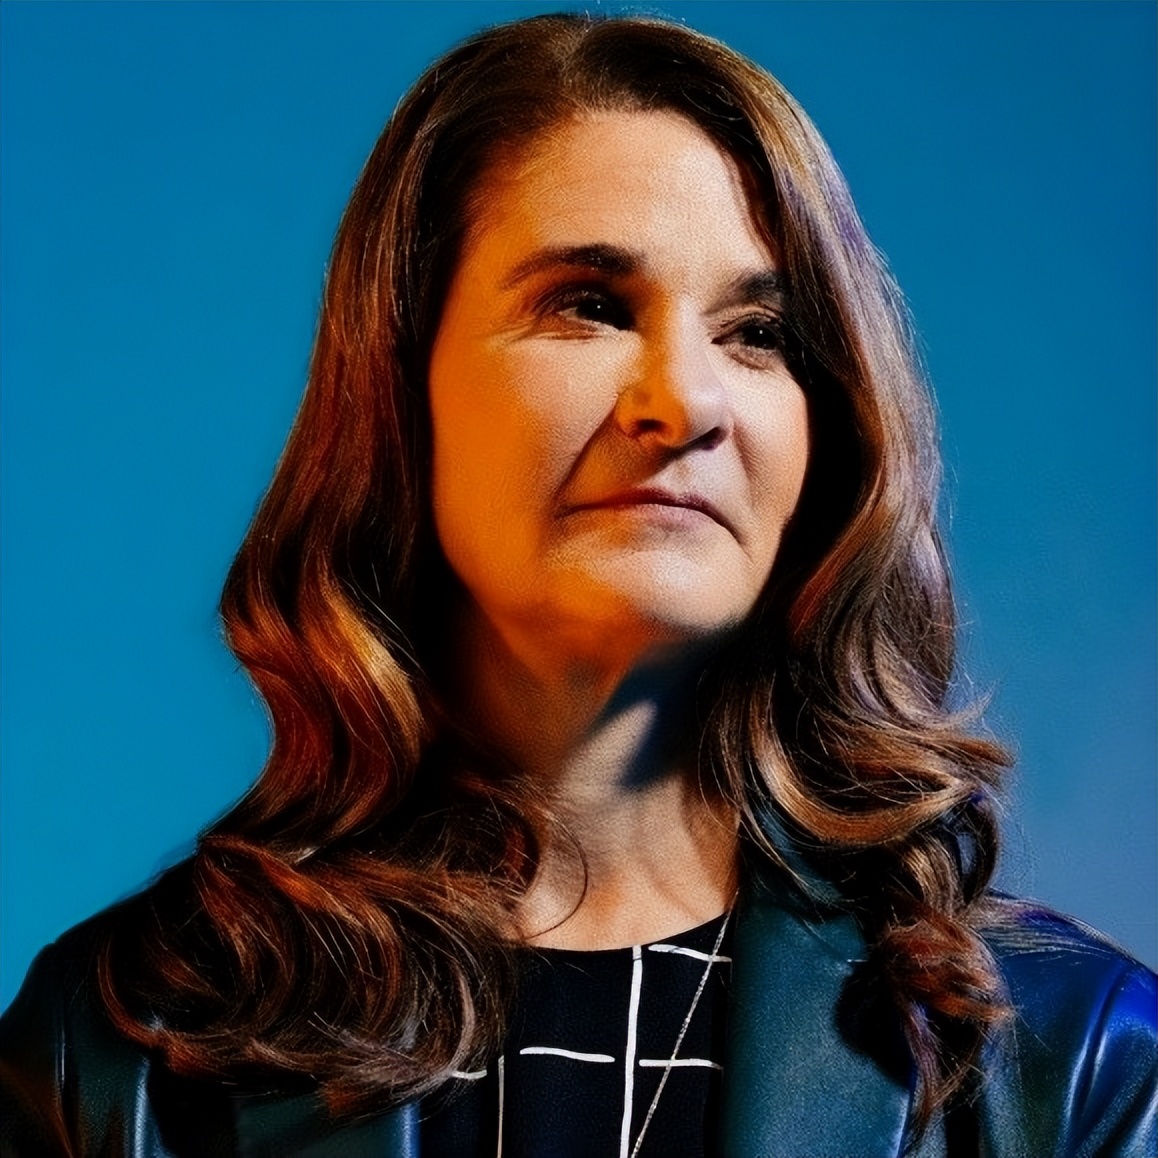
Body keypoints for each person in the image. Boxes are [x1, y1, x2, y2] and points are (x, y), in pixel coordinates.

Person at [1, 12, 1154, 1158]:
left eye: (757, 332)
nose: (685, 403)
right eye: (590, 305)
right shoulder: (112, 1054)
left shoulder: (1084, 1067)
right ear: (400, 384)